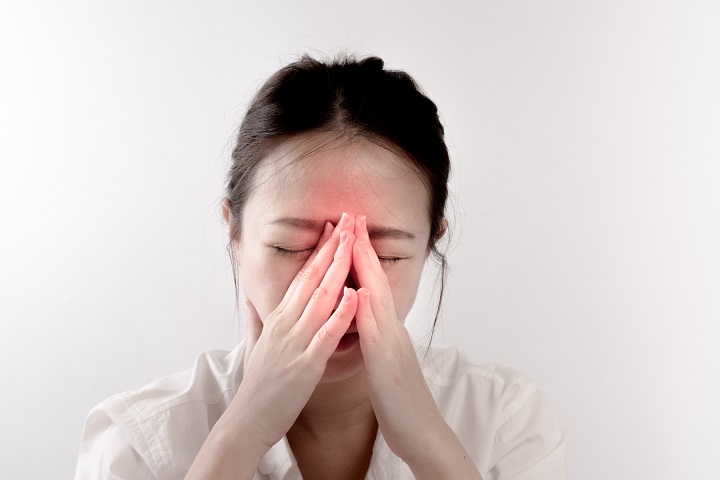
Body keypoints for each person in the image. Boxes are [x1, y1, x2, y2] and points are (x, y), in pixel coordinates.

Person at [74, 54, 566, 480]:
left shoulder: (505, 421)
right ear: (235, 233)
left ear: (430, 243)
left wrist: (428, 444)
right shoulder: (137, 443)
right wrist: (241, 433)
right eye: (292, 247)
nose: (338, 290)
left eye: (385, 255)